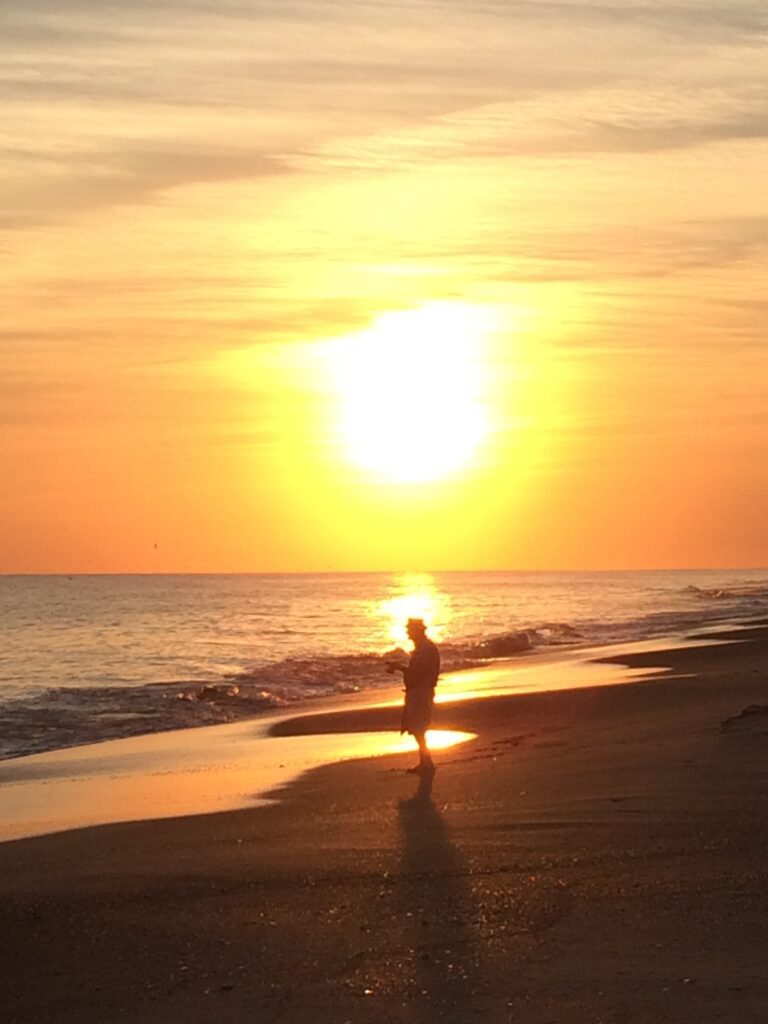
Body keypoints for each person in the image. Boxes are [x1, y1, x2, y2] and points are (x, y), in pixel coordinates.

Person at [387, 617, 440, 775]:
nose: (408, 633)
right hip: (420, 690)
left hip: (420, 691)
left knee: (418, 727)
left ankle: (427, 762)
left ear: (417, 631)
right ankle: (425, 762)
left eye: (410, 630)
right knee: (418, 728)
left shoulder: (424, 649)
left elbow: (418, 672)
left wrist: (399, 668)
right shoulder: (425, 648)